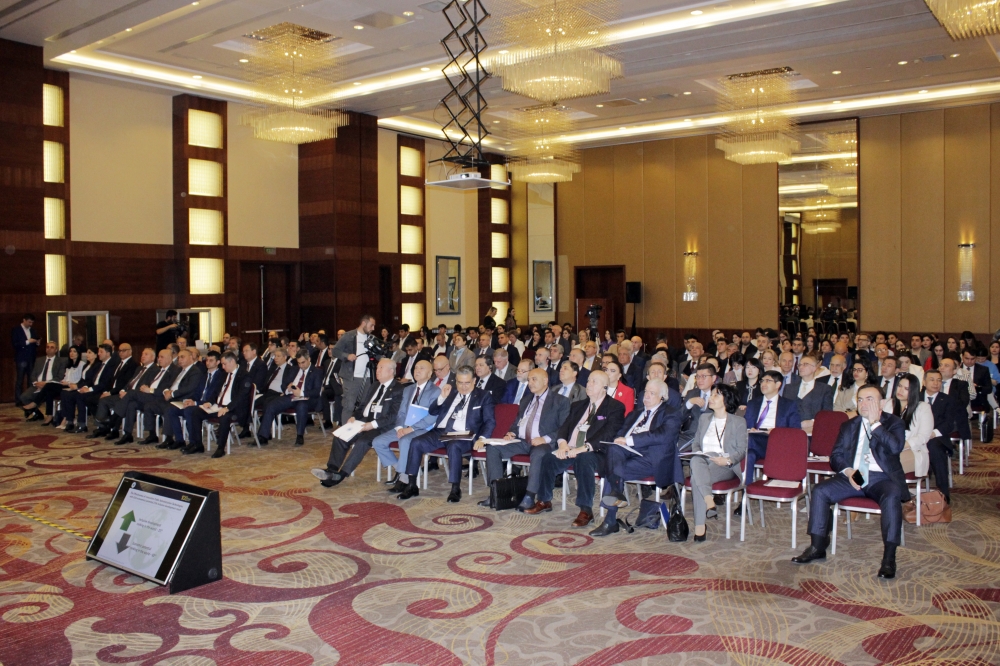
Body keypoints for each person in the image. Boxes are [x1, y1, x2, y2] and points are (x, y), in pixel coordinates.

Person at [792, 384, 907, 580]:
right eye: (860, 399)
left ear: (881, 403)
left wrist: (875, 424)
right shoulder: (849, 425)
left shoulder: (894, 423)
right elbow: (836, 456)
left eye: (869, 399)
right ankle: (817, 546)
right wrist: (849, 471)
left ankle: (889, 558)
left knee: (892, 496)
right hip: (854, 475)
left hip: (881, 478)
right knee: (820, 490)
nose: (864, 403)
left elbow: (895, 447)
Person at [589, 378, 686, 537]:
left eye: (652, 393)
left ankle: (610, 520)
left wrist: (630, 440)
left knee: (613, 468)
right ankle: (614, 498)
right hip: (626, 455)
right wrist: (619, 439)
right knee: (614, 450)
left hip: (651, 458)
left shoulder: (671, 413)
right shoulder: (635, 413)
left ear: (662, 397)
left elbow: (663, 435)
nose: (646, 396)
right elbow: (620, 433)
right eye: (645, 391)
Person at [529, 370, 626, 523]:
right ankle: (544, 500)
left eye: (594, 382)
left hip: (596, 452)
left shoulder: (615, 407)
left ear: (605, 387)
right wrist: (562, 444)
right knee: (548, 458)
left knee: (584, 459)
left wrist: (582, 448)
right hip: (571, 448)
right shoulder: (578, 405)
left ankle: (585, 509)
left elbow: (607, 435)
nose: (589, 384)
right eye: (588, 381)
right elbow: (564, 427)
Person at [397, 366, 496, 503]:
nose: (463, 387)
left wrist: (482, 438)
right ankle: (412, 485)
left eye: (467, 383)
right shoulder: (450, 392)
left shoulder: (483, 396)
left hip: (464, 435)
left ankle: (455, 488)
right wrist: (441, 397)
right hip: (442, 432)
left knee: (454, 446)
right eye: (460, 383)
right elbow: (432, 411)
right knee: (416, 442)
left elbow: (490, 421)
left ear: (474, 380)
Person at [477, 368, 570, 510]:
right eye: (529, 380)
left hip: (544, 443)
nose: (530, 383)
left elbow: (565, 427)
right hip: (522, 441)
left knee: (538, 454)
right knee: (493, 448)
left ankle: (529, 496)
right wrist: (511, 433)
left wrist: (544, 438)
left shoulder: (560, 401)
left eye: (534, 379)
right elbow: (517, 422)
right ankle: (496, 493)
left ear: (545, 381)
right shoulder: (526, 399)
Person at [315, 358, 404, 486]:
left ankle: (341, 475)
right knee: (340, 436)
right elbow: (362, 406)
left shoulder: (398, 389)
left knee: (362, 442)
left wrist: (372, 425)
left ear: (391, 371)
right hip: (363, 422)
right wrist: (354, 417)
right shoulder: (374, 385)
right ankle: (332, 470)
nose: (377, 371)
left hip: (380, 426)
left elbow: (393, 416)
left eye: (381, 368)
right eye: (377, 367)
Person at [688, 384, 747, 541]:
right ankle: (709, 500)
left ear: (726, 400)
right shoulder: (704, 418)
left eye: (716, 395)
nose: (711, 398)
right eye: (711, 394)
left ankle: (700, 525)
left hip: (724, 465)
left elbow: (742, 450)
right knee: (696, 459)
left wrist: (727, 460)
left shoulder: (738, 421)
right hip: (703, 460)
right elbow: (696, 444)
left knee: (696, 479)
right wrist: (699, 452)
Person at [373, 360, 441, 491]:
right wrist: (400, 428)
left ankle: (403, 479)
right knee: (378, 442)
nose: (417, 371)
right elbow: (401, 412)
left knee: (404, 441)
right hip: (404, 427)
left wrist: (411, 429)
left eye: (422, 368)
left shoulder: (436, 391)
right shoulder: (408, 389)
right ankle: (403, 469)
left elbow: (432, 417)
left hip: (423, 429)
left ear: (429, 373)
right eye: (416, 368)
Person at [742, 370, 802, 488]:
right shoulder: (753, 403)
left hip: (776, 442)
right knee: (749, 455)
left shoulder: (789, 405)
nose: (763, 384)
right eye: (762, 381)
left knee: (747, 442)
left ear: (778, 384)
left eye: (768, 381)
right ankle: (746, 492)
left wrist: (776, 432)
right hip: (755, 440)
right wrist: (750, 429)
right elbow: (745, 425)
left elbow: (795, 430)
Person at [257, 350, 324, 447]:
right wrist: (288, 389)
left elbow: (316, 391)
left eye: (303, 362)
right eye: (299, 363)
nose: (301, 365)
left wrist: (301, 393)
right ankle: (263, 436)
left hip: (307, 399)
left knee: (301, 406)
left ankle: (300, 435)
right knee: (271, 405)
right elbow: (284, 384)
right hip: (291, 396)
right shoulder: (294, 369)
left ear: (309, 359)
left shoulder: (317, 372)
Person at [922, 369, 962, 503]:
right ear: (924, 382)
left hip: (937, 437)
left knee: (934, 448)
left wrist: (932, 433)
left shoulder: (948, 399)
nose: (936, 383)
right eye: (932, 380)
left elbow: (949, 424)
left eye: (939, 380)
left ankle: (944, 492)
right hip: (916, 436)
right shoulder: (915, 397)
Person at [331, 314, 377, 423]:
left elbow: (377, 354)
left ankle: (360, 429)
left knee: (364, 407)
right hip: (352, 378)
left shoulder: (372, 338)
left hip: (368, 378)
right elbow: (335, 351)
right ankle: (345, 431)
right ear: (364, 323)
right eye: (371, 325)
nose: (373, 328)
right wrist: (347, 356)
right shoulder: (348, 336)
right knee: (349, 405)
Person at [891, 373, 932, 477]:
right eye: (899, 386)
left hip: (913, 451)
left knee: (888, 463)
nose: (900, 391)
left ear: (913, 391)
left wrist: (900, 446)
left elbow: (923, 437)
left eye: (906, 388)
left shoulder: (923, 408)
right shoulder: (889, 405)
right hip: (890, 449)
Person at [19, 341, 66, 421]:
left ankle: (35, 409)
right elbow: (33, 374)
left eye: (52, 347)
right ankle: (37, 413)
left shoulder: (61, 361)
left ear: (56, 350)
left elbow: (60, 376)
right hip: (37, 385)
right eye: (47, 347)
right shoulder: (39, 360)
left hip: (50, 385)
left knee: (47, 393)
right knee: (24, 397)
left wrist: (46, 383)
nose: (49, 349)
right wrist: (36, 383)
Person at [794, 353, 834, 430]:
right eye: (800, 365)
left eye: (805, 364)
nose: (801, 367)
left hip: (815, 428)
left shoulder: (825, 389)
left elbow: (827, 413)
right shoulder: (789, 388)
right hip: (793, 429)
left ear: (814, 368)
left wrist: (812, 422)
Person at [11, 314, 39, 406]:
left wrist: (37, 343)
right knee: (20, 380)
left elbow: (35, 344)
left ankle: (29, 398)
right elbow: (15, 344)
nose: (30, 324)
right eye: (29, 322)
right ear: (24, 320)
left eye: (32, 322)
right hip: (21, 358)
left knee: (31, 380)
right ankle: (18, 400)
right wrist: (27, 341)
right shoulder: (16, 330)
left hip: (31, 358)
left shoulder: (33, 330)